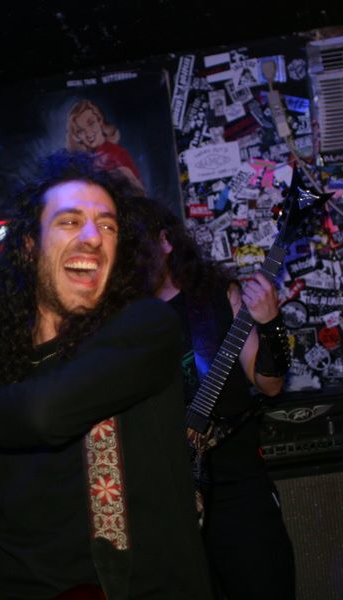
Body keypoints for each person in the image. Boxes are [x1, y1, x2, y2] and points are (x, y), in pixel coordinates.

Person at [0, 151, 212, 600]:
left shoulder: (145, 330)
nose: (93, 237)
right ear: (29, 246)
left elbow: (47, 411)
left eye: (108, 226)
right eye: (70, 221)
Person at [133, 196, 296, 599]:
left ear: (165, 241)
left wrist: (272, 324)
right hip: (166, 504)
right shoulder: (123, 322)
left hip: (237, 491)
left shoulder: (218, 295)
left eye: (137, 244)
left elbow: (271, 384)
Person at [65, 99, 145, 192]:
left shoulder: (117, 154)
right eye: (81, 130)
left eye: (91, 123)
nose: (88, 133)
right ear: (77, 136)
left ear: (100, 121)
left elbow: (140, 193)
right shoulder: (83, 161)